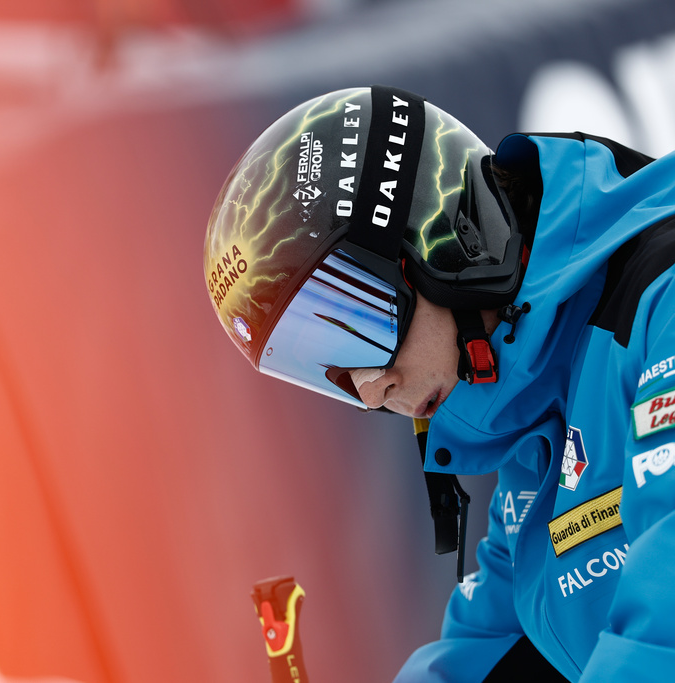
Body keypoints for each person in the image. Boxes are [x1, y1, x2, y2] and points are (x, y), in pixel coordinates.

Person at [203, 85, 675, 681]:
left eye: (358, 325)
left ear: (448, 242)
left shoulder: (664, 300)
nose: (370, 391)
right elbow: (484, 655)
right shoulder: (534, 436)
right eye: (329, 368)